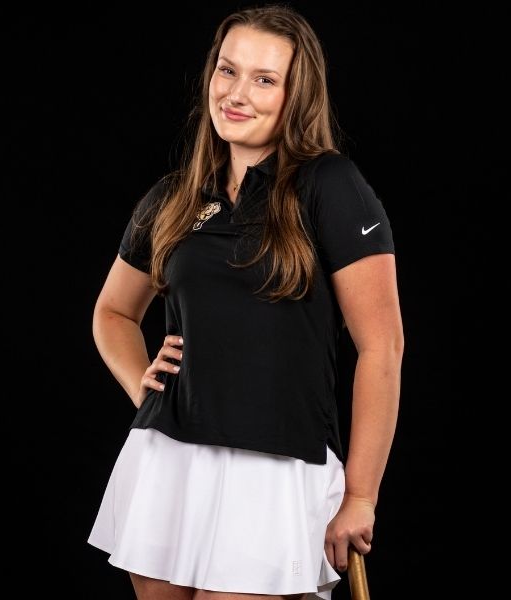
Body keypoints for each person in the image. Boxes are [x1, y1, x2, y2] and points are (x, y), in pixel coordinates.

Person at [87, 5, 403, 599]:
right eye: (227, 71)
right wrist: (143, 387)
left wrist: (361, 496)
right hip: (170, 461)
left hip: (276, 467)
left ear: (295, 95)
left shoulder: (330, 185)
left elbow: (382, 347)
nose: (237, 94)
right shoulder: (175, 197)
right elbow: (113, 313)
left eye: (264, 79)